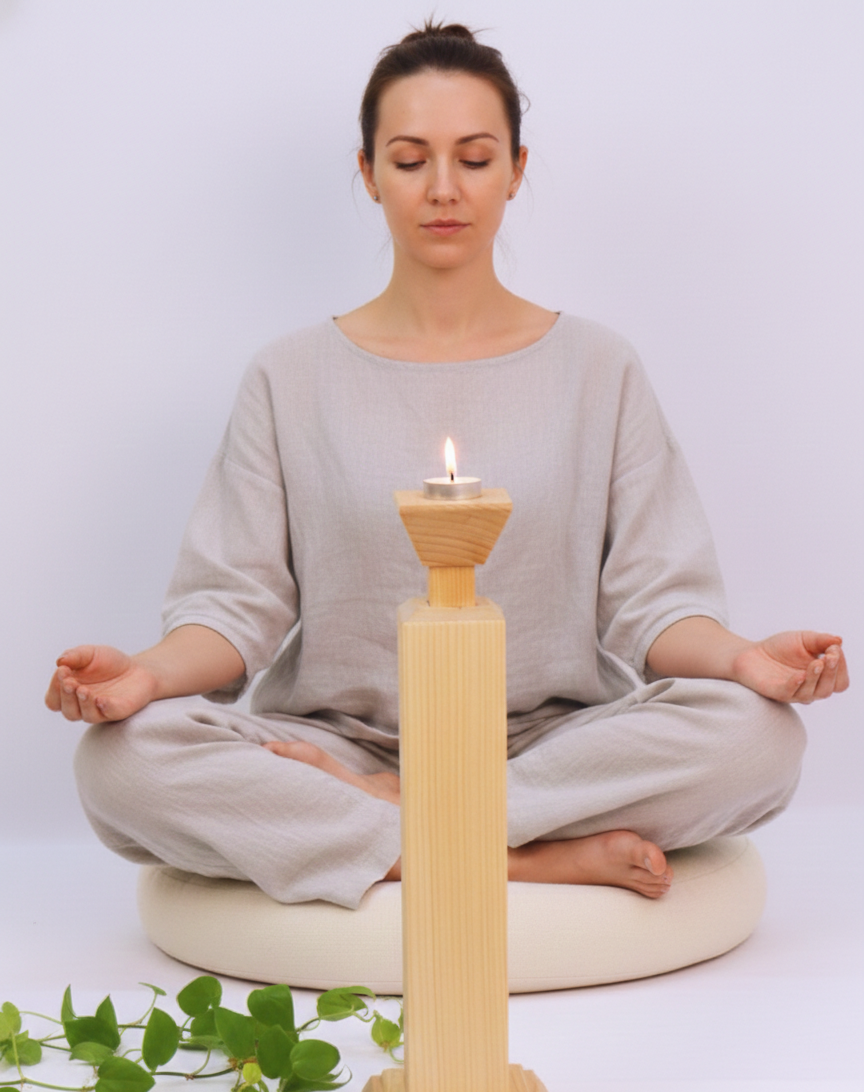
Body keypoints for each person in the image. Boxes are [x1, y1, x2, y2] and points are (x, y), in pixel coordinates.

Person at [46, 22, 847, 908]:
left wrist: (744, 662)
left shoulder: (598, 367)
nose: (442, 190)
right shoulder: (289, 376)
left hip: (551, 748)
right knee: (122, 760)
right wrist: (147, 675)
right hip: (337, 749)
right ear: (368, 174)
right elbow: (236, 608)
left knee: (760, 737)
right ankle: (517, 854)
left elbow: (654, 604)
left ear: (515, 169)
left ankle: (399, 823)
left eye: (472, 158)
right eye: (408, 158)